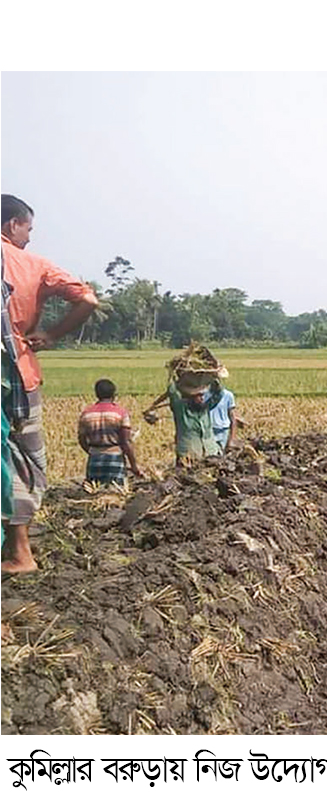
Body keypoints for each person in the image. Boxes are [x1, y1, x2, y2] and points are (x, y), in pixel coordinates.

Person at [2, 194, 99, 573]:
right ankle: (19, 551)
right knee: (22, 461)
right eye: (28, 229)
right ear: (13, 225)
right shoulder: (34, 265)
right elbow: (87, 299)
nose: (29, 237)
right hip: (18, 375)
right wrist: (53, 333)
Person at [143, 376, 227, 465]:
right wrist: (181, 378)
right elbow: (172, 391)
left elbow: (219, 394)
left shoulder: (205, 409)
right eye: (198, 396)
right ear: (190, 398)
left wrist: (214, 379)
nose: (201, 398)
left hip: (210, 453)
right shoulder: (181, 409)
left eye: (202, 395)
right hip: (188, 456)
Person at [77, 379, 143, 486]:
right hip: (115, 458)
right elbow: (126, 442)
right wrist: (134, 466)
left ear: (96, 394)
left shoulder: (86, 413)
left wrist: (92, 451)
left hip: (94, 460)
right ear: (114, 394)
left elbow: (81, 439)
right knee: (116, 493)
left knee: (94, 495)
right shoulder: (120, 413)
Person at [207, 385, 238, 451]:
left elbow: (232, 418)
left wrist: (231, 439)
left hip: (223, 432)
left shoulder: (228, 395)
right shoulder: (205, 395)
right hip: (210, 431)